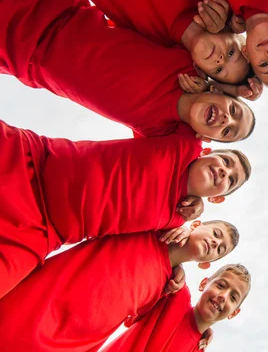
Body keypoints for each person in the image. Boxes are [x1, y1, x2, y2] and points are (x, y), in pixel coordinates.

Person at [0, 0, 255, 142]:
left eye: (228, 131)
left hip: (18, 56)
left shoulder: (161, 130)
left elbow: (176, 169)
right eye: (234, 112)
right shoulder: (184, 58)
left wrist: (231, 86)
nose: (226, 120)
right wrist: (236, 81)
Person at [0, 119, 250, 299]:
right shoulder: (180, 142)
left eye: (230, 180)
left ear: (217, 199)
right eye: (226, 162)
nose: (224, 171)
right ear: (206, 152)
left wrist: (178, 267)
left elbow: (152, 253)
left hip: (39, 234)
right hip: (30, 158)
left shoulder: (174, 221)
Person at [35, 0, 264, 99]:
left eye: (219, 69)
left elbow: (141, 86)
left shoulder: (157, 46)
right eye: (231, 53)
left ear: (203, 71)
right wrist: (239, 13)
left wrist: (221, 90)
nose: (220, 59)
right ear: (234, 35)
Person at [0, 222, 238, 351]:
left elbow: (180, 321)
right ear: (196, 224)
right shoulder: (150, 227)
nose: (215, 242)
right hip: (31, 312)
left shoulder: (168, 288)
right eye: (216, 234)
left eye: (220, 249)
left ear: (206, 264)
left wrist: (203, 332)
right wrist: (177, 223)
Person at [103, 264, 251, 351]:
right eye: (220, 285)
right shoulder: (175, 295)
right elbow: (163, 255)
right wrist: (179, 267)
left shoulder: (198, 348)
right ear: (203, 284)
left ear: (234, 313)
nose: (223, 296)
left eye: (233, 298)